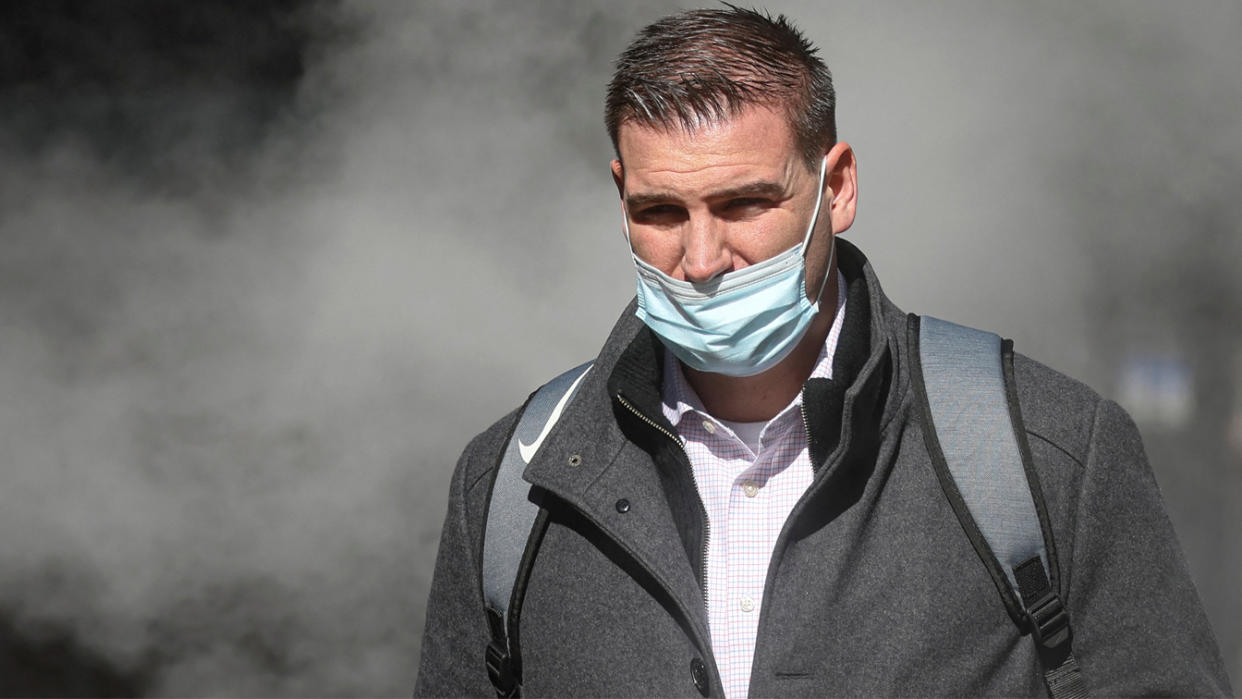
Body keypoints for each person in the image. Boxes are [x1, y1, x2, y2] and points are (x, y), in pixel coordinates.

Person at [415, 7, 1231, 698]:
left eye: (744, 203)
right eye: (660, 210)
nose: (701, 259)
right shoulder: (513, 487)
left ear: (835, 186)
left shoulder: (1049, 453)